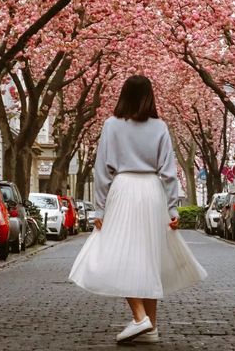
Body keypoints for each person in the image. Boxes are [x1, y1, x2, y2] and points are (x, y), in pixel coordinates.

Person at [68, 75, 207, 344]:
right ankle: (151, 327)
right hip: (152, 191)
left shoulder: (111, 125)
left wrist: (99, 210)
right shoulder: (160, 127)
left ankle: (140, 317)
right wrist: (173, 209)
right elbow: (168, 172)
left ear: (124, 95)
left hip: (123, 190)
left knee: (118, 254)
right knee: (149, 258)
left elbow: (102, 170)